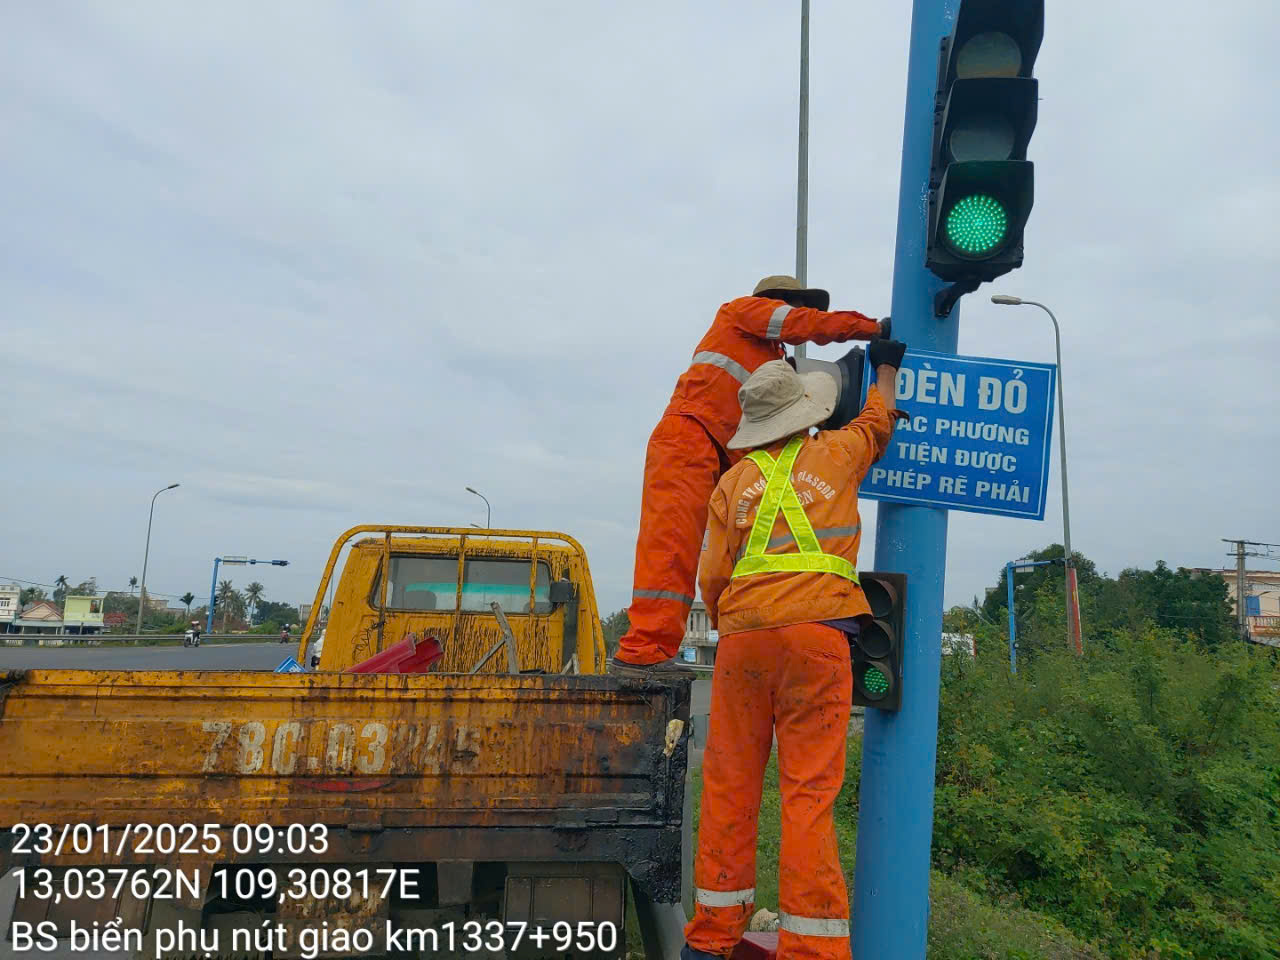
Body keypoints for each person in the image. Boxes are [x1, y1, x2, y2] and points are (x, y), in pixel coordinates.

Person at [682, 339, 907, 960]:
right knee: (807, 794)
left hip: (744, 641)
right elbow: (877, 418)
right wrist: (886, 364)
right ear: (806, 415)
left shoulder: (732, 484)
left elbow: (712, 581)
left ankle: (710, 939)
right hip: (818, 639)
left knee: (729, 783)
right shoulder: (835, 454)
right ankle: (812, 948)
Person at [609, 276, 888, 678]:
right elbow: (800, 323)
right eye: (796, 304)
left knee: (718, 552)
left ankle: (667, 646)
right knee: (671, 551)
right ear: (778, 302)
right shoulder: (741, 312)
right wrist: (870, 328)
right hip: (689, 437)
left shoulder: (772, 363)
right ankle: (644, 652)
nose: (800, 314)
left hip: (720, 452)